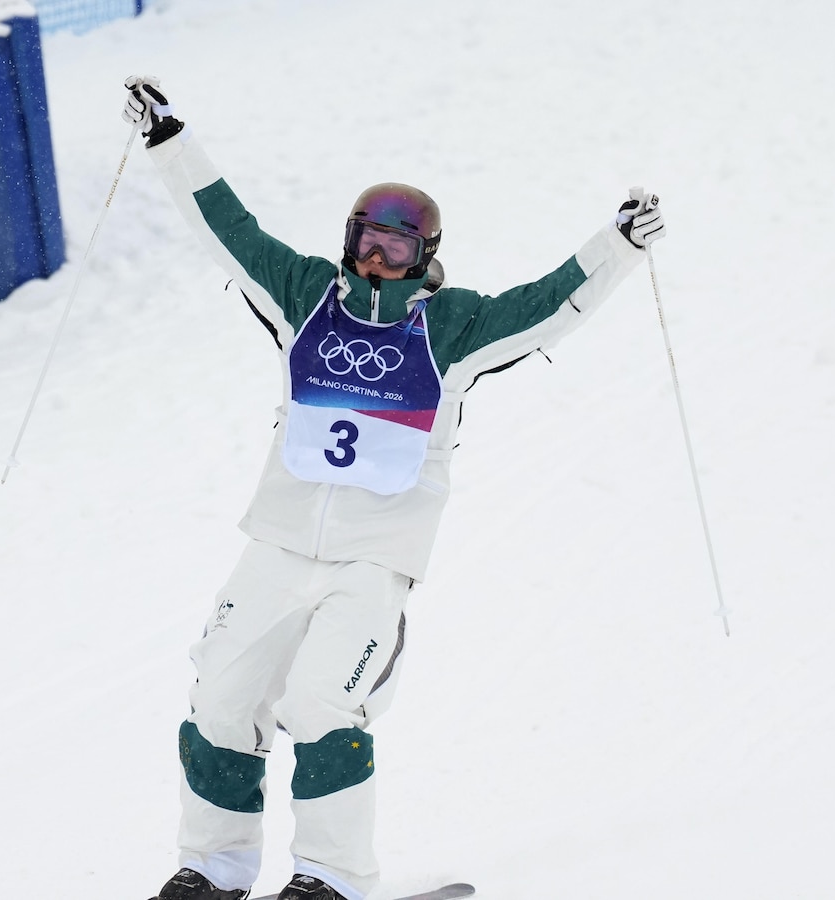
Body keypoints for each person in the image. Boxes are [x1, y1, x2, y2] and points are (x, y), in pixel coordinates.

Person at [121, 76, 665, 900]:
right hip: (275, 547)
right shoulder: (305, 297)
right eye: (368, 241)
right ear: (349, 239)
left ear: (427, 257)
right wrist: (170, 141)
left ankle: (329, 878)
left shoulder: (453, 328)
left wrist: (619, 245)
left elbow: (553, 303)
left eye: (398, 249)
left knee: (321, 708)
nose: (378, 258)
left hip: (373, 566)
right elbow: (226, 229)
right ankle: (211, 869)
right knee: (219, 704)